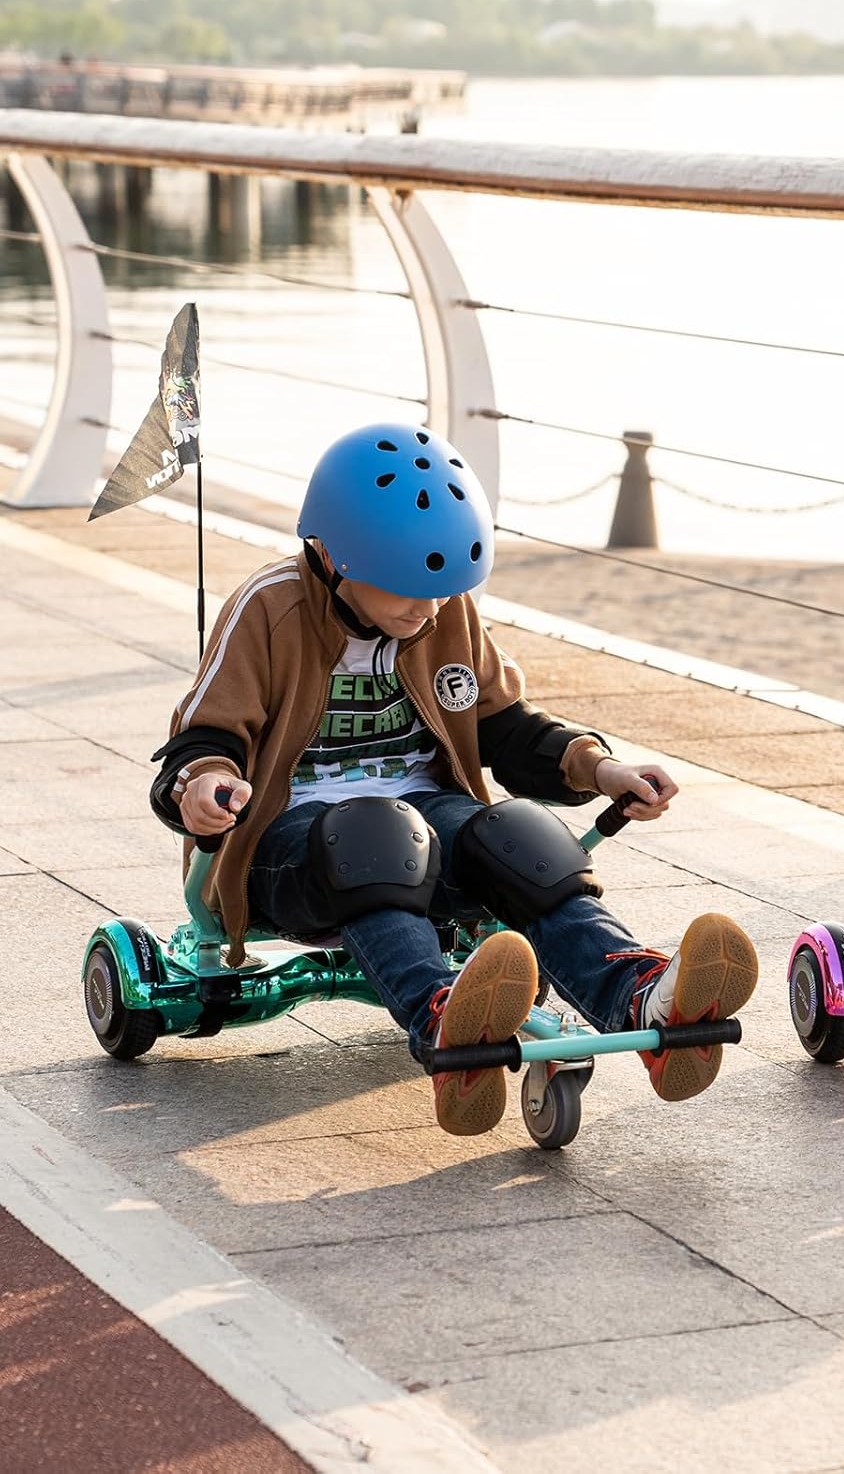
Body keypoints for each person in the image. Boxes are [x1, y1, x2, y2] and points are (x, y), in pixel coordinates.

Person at [149, 422, 758, 1136]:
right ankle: (446, 1022)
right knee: (373, 833)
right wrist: (204, 785)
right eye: (408, 590)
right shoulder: (272, 608)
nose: (429, 610)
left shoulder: (441, 611)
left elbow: (503, 725)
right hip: (284, 849)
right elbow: (202, 739)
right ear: (330, 554)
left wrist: (600, 766)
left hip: (417, 827)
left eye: (440, 592)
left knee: (519, 836)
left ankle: (643, 996)